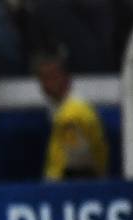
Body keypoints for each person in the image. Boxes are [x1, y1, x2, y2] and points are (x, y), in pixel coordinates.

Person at [35, 48, 109, 181]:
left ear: (65, 77)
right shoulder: (65, 109)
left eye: (51, 77)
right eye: (43, 78)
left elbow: (77, 164)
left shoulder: (72, 114)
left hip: (70, 189)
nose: (46, 84)